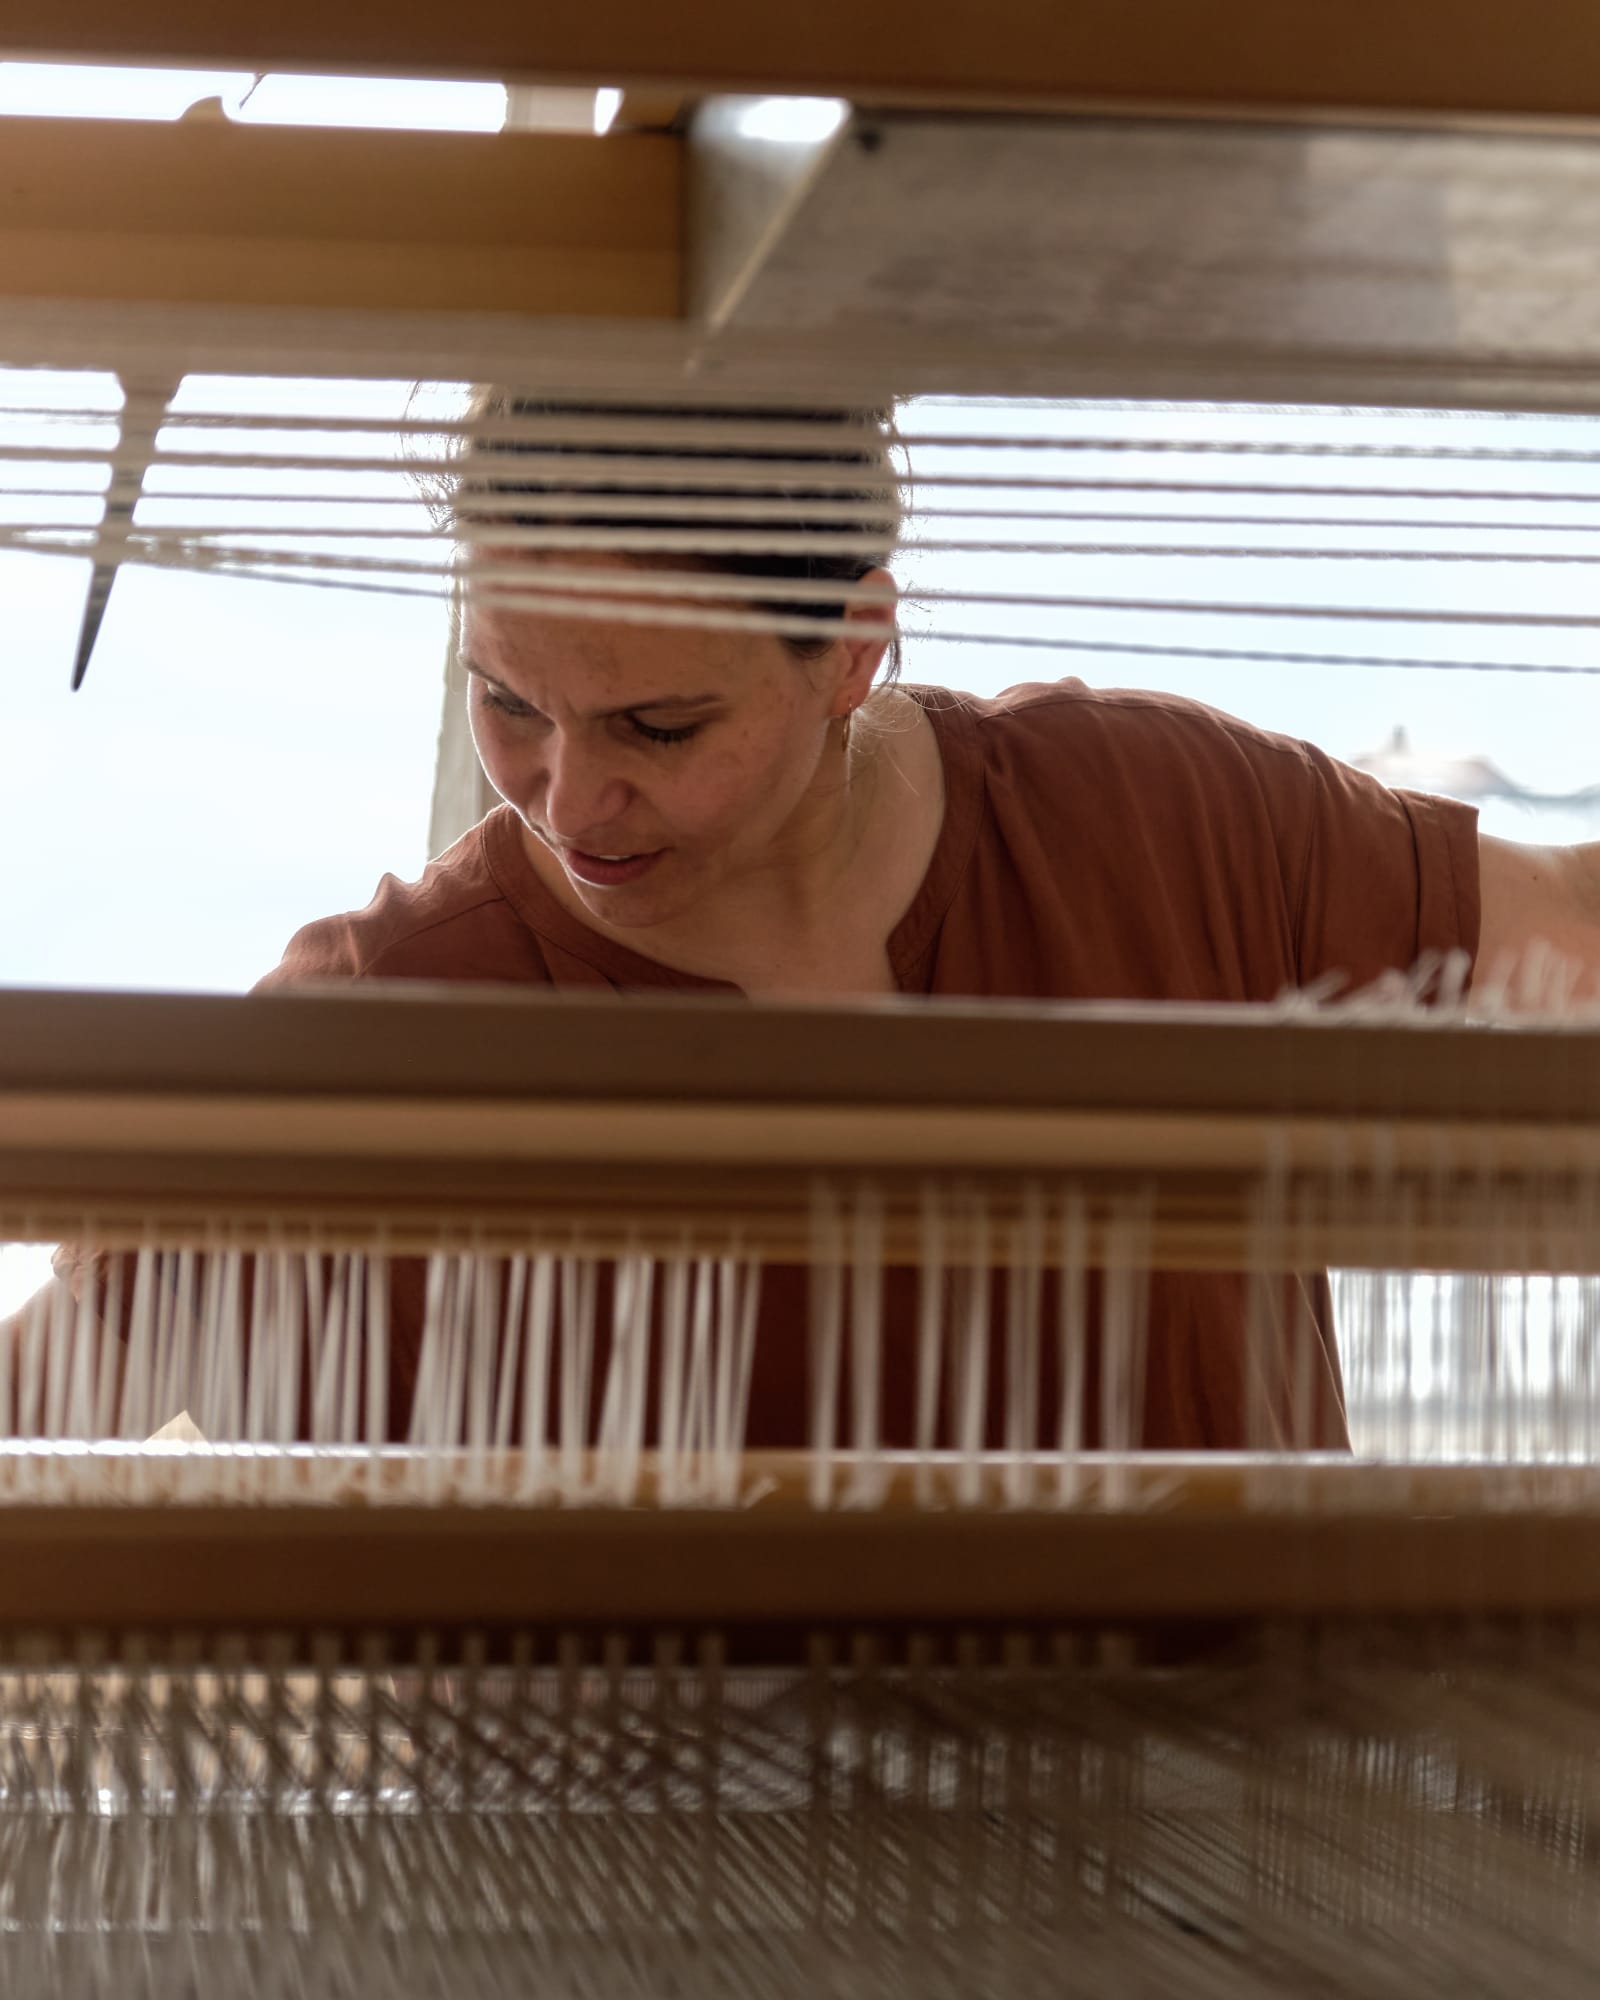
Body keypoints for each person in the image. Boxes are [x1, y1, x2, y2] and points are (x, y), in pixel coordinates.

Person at [23, 404, 1600, 1448]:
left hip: (1247, 1882)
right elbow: (53, 1392)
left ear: (852, 643)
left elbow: (1564, 926)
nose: (564, 805)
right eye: (505, 701)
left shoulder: (1156, 818)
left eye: (656, 728)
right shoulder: (393, 1023)